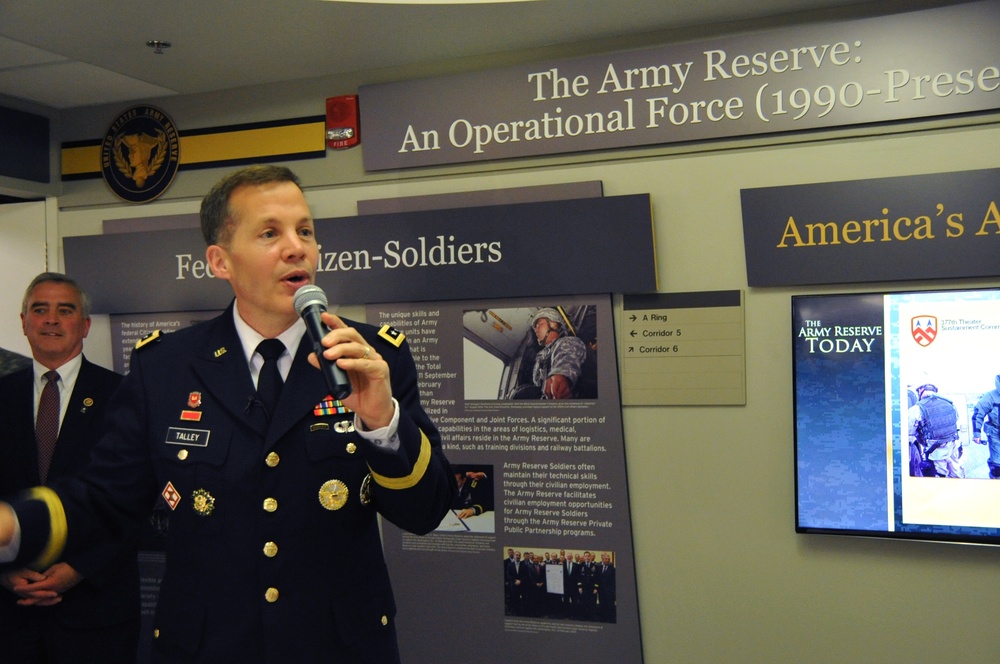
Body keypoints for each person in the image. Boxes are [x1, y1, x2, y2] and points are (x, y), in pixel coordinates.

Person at [0, 165, 455, 664]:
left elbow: (426, 512)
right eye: (269, 233)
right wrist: (14, 524)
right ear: (220, 261)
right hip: (205, 646)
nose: (296, 246)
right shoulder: (166, 368)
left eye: (305, 230)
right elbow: (105, 498)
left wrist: (382, 423)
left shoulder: (371, 358)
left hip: (339, 646)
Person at [0, 273, 139, 663]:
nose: (51, 320)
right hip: (10, 615)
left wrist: (79, 568)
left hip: (96, 610)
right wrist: (5, 573)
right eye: (39, 309)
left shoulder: (123, 395)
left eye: (65, 310)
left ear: (85, 324)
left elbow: (136, 499)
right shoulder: (1, 395)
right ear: (24, 321)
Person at [528, 307, 588, 400]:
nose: (536, 329)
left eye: (539, 324)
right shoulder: (540, 357)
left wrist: (560, 376)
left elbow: (566, 357)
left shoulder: (567, 342)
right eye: (535, 327)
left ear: (554, 324)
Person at [908, 383, 962, 478]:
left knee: (939, 476)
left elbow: (908, 432)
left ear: (920, 390)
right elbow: (956, 421)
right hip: (954, 445)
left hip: (936, 450)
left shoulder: (917, 408)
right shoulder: (949, 404)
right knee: (956, 473)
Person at [971, 374, 1000, 479]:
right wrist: (976, 433)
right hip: (996, 435)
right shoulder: (990, 396)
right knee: (997, 467)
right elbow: (978, 414)